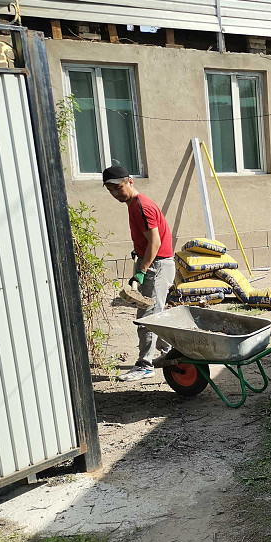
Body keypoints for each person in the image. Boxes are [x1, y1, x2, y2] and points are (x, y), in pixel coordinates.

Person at [103, 164, 176, 382]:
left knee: (147, 317)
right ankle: (169, 353)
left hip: (158, 266)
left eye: (118, 187)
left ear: (130, 181)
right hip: (153, 262)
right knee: (156, 313)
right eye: (111, 190)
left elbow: (156, 241)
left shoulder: (142, 207)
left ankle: (145, 365)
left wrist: (142, 271)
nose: (116, 193)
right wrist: (139, 252)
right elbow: (147, 240)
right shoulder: (133, 204)